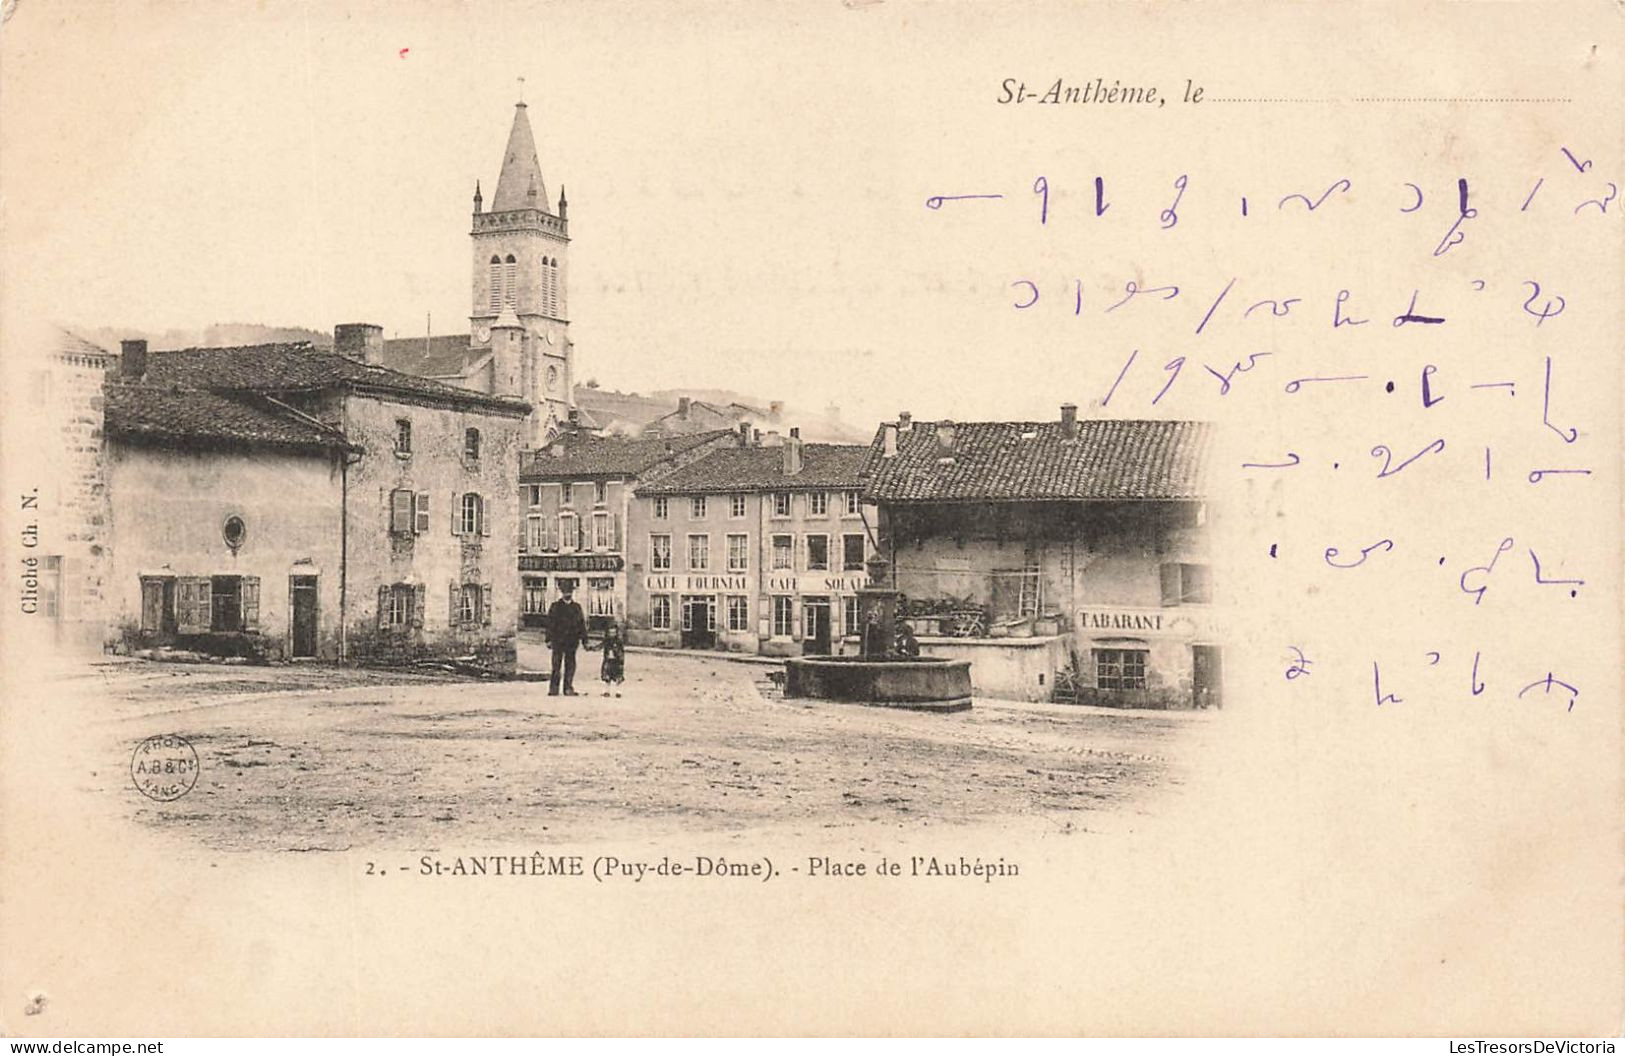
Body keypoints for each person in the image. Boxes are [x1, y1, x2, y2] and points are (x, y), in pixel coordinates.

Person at [546, 586, 587, 695]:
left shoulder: (576, 607)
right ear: (561, 592)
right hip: (558, 641)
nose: (567, 593)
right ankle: (553, 689)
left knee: (570, 665)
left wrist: (584, 640)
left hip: (572, 641)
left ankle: (568, 688)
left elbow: (581, 625)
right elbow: (550, 624)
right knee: (556, 666)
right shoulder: (555, 607)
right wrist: (548, 639)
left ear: (572, 592)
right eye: (565, 591)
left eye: (569, 591)